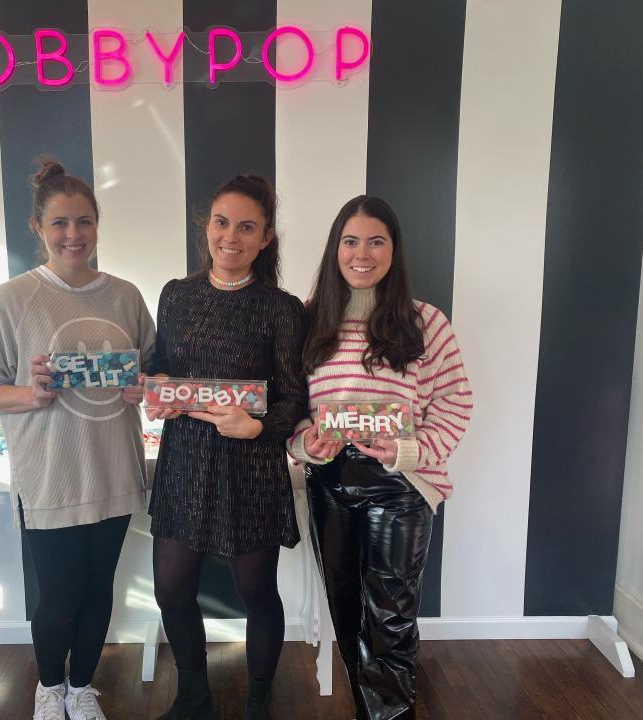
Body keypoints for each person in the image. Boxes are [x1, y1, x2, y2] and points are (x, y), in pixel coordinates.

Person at [0, 159, 155, 720]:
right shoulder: (10, 300)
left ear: (98, 225)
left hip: (116, 469)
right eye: (61, 224)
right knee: (58, 598)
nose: (74, 235)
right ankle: (49, 687)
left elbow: (149, 368)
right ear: (38, 228)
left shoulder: (124, 295)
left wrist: (144, 387)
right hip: (50, 475)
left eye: (85, 222)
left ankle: (81, 687)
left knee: (99, 595)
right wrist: (31, 393)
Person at [287, 196, 473, 720]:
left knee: (390, 617)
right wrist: (305, 443)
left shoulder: (424, 322)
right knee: (346, 614)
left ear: (394, 250)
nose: (362, 253)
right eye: (351, 241)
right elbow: (293, 409)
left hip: (402, 484)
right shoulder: (309, 320)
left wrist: (408, 450)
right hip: (330, 480)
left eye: (376, 241)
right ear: (335, 248)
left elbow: (456, 400)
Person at [147, 175, 308, 720]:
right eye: (221, 223)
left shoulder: (283, 309)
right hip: (185, 459)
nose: (231, 237)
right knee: (170, 589)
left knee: (256, 592)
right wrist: (160, 387)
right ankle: (194, 696)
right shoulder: (176, 294)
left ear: (266, 238)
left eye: (246, 227)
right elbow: (159, 363)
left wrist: (258, 428)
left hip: (250, 466)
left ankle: (259, 704)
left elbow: (294, 399)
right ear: (206, 226)